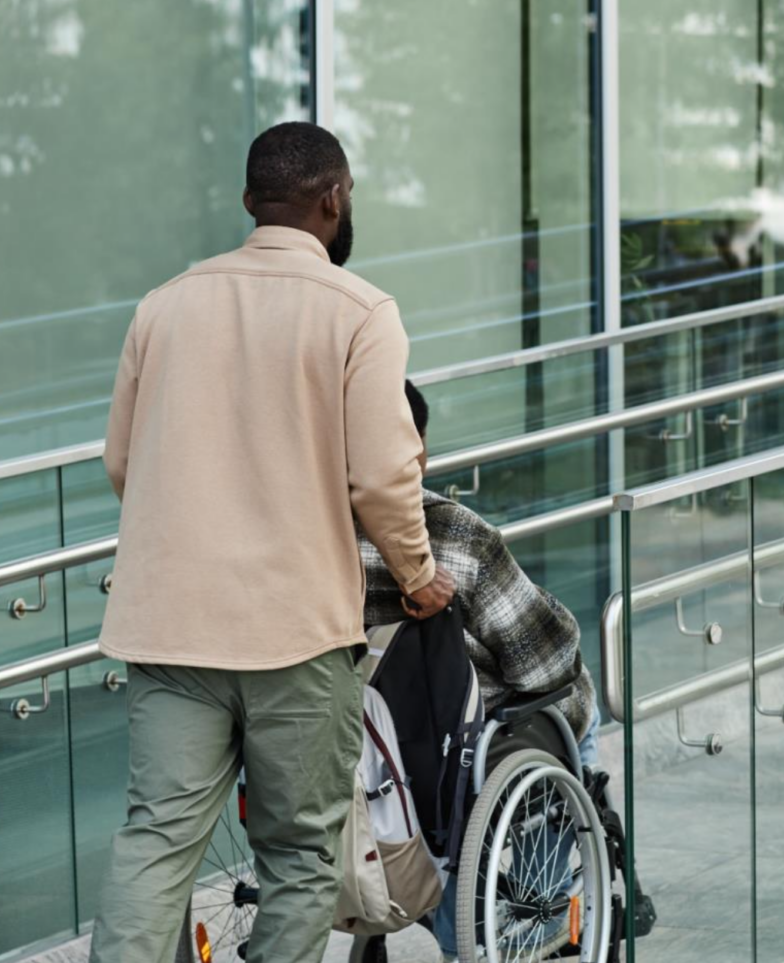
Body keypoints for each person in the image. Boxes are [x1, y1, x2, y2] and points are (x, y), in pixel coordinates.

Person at [89, 123, 455, 963]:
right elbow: (381, 478)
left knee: (154, 842)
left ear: (251, 203)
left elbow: (123, 461)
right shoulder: (360, 311)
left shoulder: (165, 304)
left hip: (171, 626)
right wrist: (418, 574)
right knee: (298, 856)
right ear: (334, 200)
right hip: (295, 633)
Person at [359, 381, 599, 963]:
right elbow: (544, 659)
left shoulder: (303, 540)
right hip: (448, 750)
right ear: (416, 451)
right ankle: (530, 910)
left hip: (345, 738)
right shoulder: (454, 537)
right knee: (578, 719)